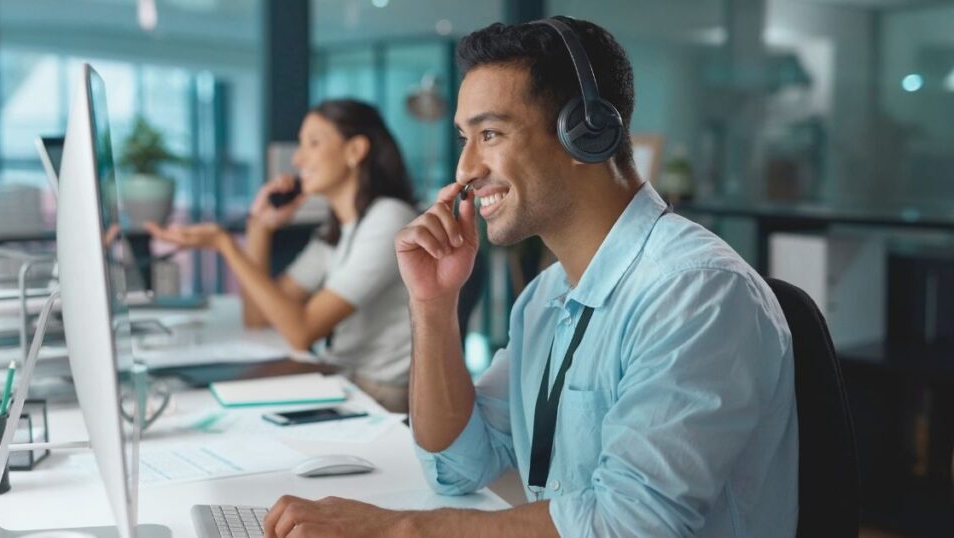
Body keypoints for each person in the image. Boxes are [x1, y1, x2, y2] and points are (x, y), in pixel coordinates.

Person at [262, 16, 799, 538]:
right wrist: (432, 306)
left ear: (587, 134)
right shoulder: (546, 298)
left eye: (490, 133)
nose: (464, 170)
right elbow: (457, 465)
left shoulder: (695, 291)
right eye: (463, 139)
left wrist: (398, 529)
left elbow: (632, 526)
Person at [146, 99, 418, 413]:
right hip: (343, 378)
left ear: (355, 151)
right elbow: (259, 317)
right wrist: (260, 227)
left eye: (313, 144)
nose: (299, 160)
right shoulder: (338, 229)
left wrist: (226, 244)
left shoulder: (388, 220)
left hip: (379, 394)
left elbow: (301, 331)